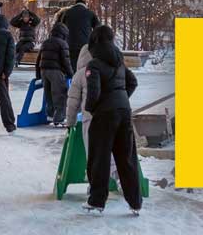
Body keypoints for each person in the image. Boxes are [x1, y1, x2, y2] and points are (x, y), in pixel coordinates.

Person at [82, 25, 141, 215]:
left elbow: (94, 92)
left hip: (104, 116)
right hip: (124, 112)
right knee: (126, 158)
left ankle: (97, 201)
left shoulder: (95, 64)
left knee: (100, 158)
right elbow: (132, 82)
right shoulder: (119, 62)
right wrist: (121, 98)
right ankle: (135, 202)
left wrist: (92, 108)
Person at [65, 44, 117, 186]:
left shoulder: (81, 74)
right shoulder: (112, 70)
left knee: (93, 152)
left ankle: (95, 185)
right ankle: (118, 175)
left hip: (92, 118)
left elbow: (73, 102)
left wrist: (70, 122)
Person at [36, 22, 73, 127]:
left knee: (48, 94)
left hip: (44, 71)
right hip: (55, 71)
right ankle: (59, 118)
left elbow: (38, 59)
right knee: (60, 94)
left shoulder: (45, 42)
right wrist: (71, 74)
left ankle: (50, 115)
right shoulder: (62, 43)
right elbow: (66, 61)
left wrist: (38, 74)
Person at [61, 0, 101, 73]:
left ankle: (72, 82)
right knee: (84, 66)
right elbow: (98, 28)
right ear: (84, 4)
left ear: (75, 4)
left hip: (70, 44)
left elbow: (61, 27)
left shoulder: (67, 12)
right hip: (85, 44)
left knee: (72, 66)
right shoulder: (90, 13)